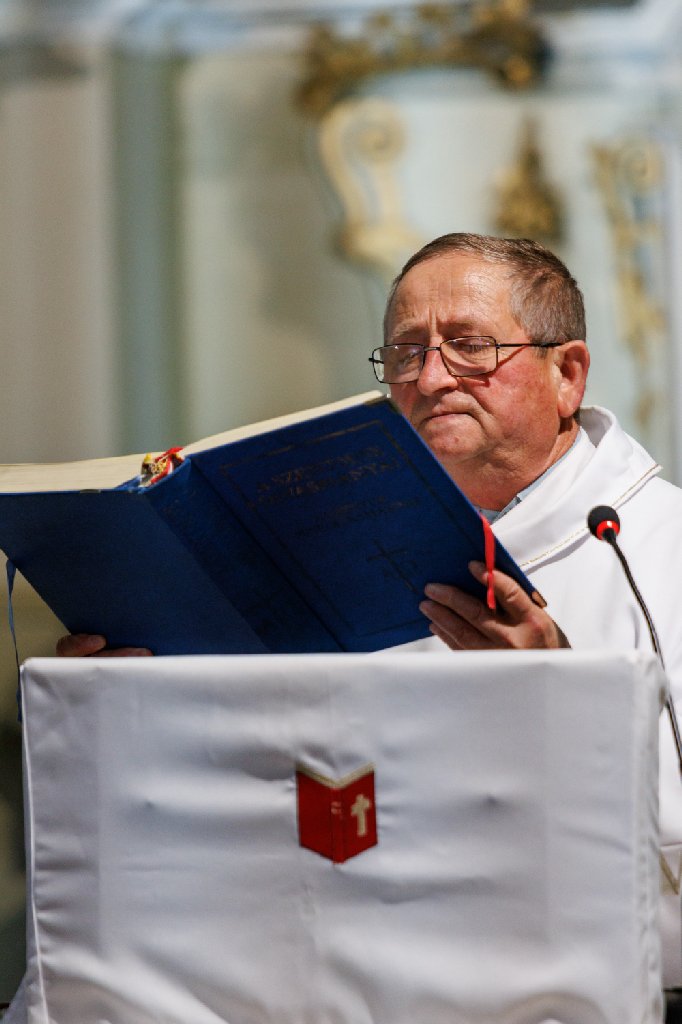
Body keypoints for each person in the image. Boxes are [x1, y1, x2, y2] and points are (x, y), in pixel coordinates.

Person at [36, 234, 682, 1013]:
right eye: (406, 353)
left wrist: (561, 698)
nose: (431, 378)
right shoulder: (324, 548)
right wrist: (137, 707)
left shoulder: (655, 552)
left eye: (470, 346)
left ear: (567, 374)